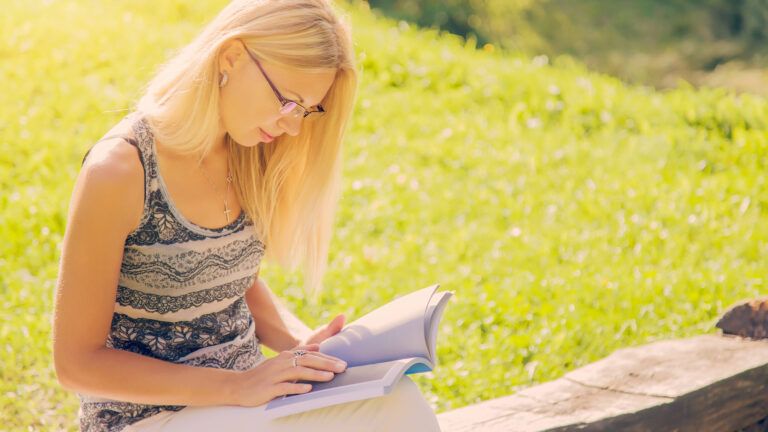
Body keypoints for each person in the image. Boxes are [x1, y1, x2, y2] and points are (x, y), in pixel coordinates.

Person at [51, 0, 442, 431]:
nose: (292, 127)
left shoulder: (247, 151)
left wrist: (298, 343)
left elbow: (231, 275)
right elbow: (77, 364)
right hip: (149, 415)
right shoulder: (120, 171)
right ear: (232, 57)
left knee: (399, 401)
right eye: (288, 102)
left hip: (247, 397)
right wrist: (236, 387)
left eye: (305, 111)